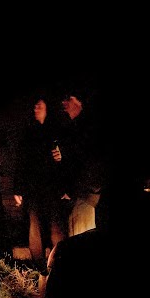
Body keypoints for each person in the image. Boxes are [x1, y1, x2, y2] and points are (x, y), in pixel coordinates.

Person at [12, 96, 67, 264]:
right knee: (35, 226)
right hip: (34, 188)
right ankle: (40, 267)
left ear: (47, 109)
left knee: (55, 226)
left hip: (51, 187)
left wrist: (61, 161)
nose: (36, 109)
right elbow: (21, 161)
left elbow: (64, 159)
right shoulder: (29, 132)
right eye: (35, 106)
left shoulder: (55, 132)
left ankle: (57, 264)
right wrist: (18, 189)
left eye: (40, 106)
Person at [54, 89, 103, 237]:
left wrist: (72, 189)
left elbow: (87, 162)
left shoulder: (87, 128)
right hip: (82, 194)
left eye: (69, 98)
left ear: (79, 102)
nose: (64, 103)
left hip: (85, 195)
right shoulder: (76, 127)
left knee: (80, 236)